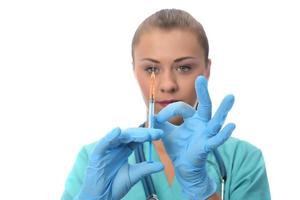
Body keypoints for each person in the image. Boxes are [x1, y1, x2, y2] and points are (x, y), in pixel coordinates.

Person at [61, 9, 270, 200]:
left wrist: (201, 187)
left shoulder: (242, 160)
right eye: (151, 69)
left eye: (184, 67)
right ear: (135, 70)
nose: (168, 85)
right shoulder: (97, 162)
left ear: (207, 70)